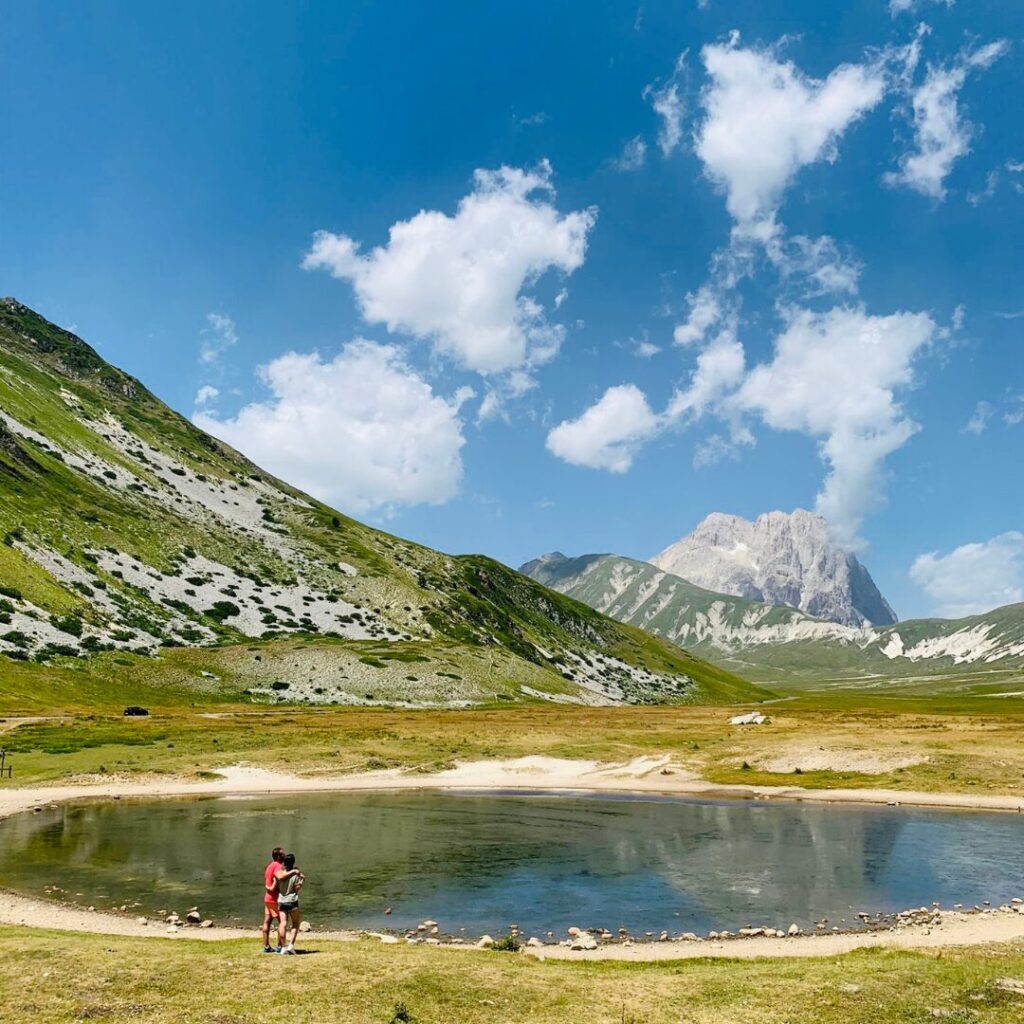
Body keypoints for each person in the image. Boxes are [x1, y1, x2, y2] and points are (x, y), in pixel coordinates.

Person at [275, 853, 305, 954]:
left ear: (284, 863)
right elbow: (296, 889)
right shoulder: (296, 874)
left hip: (281, 900)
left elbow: (278, 880)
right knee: (295, 923)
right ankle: (291, 945)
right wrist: (301, 881)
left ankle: (283, 947)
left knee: (283, 923)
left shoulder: (280, 873)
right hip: (292, 900)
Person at [261, 846, 285, 953]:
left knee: (267, 921)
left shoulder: (269, 866)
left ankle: (266, 946)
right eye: (283, 854)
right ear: (278, 856)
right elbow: (279, 877)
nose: (284, 855)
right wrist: (292, 873)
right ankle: (280, 946)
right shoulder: (278, 866)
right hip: (275, 899)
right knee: (282, 922)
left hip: (267, 898)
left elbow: (268, 881)